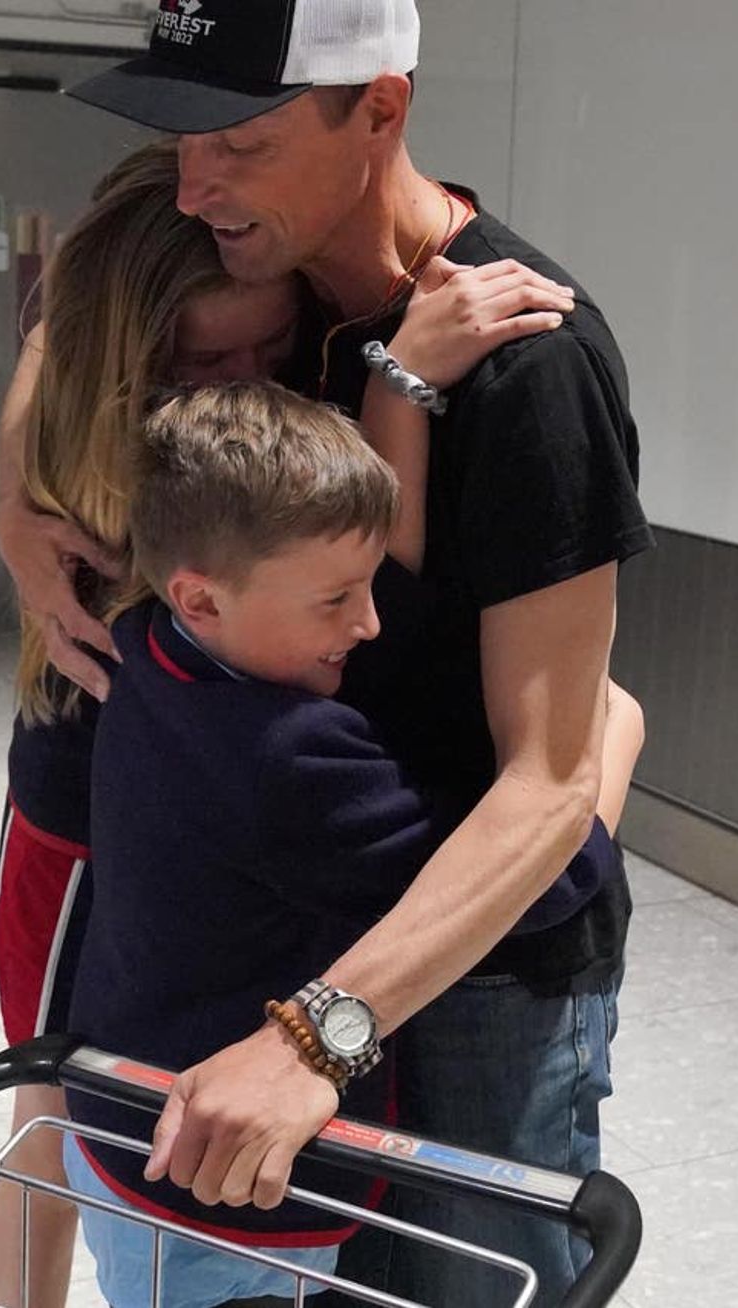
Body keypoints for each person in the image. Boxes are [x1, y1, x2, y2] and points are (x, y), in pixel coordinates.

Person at [0, 0, 654, 1305]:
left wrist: (312, 1041)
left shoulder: (527, 363)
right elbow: (86, 306)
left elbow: (548, 788)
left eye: (241, 142)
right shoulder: (281, 295)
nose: (198, 186)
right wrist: (17, 503)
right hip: (322, 921)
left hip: (480, 972)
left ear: (382, 109)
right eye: (185, 137)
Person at [63, 381, 645, 1308]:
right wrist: (607, 743)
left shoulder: (151, 644)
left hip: (117, 1129)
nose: (369, 623)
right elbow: (542, 878)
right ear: (201, 597)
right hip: (229, 1199)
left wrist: (399, 388)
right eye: (336, 598)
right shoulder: (289, 756)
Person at [0, 140, 304, 1308]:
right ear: (127, 364)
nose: (251, 382)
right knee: (49, 1100)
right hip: (79, 825)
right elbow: (71, 309)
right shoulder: (114, 458)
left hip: (149, 816)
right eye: (208, 358)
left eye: (272, 346)